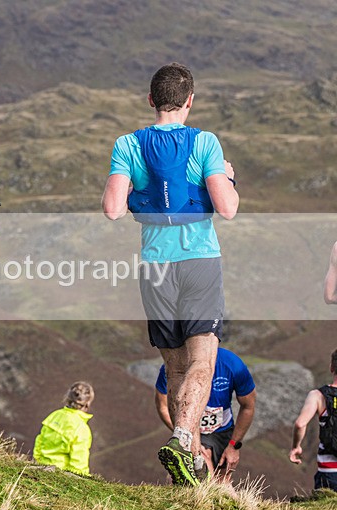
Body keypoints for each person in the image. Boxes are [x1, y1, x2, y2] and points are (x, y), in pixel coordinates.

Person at [102, 62, 239, 485]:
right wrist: (229, 177)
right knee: (203, 360)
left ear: (150, 100)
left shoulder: (127, 144)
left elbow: (112, 209)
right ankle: (183, 439)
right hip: (199, 261)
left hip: (154, 265)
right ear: (190, 101)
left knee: (177, 368)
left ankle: (190, 459)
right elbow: (228, 208)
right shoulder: (205, 142)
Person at [155, 346, 256, 483]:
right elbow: (163, 406)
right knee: (193, 478)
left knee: (222, 483)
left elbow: (248, 406)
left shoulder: (232, 364)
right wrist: (184, 434)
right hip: (193, 431)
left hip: (223, 432)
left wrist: (233, 446)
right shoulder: (174, 365)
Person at [289, 348, 337, 491]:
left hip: (329, 473)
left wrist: (295, 447)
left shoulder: (317, 396)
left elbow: (300, 424)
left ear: (332, 367)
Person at [33, 381, 95, 476]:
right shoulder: (82, 428)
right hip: (62, 474)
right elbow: (79, 462)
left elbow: (39, 441)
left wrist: (38, 462)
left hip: (41, 468)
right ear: (87, 403)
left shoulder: (54, 416)